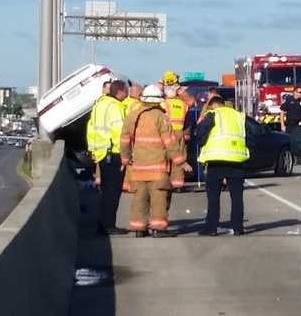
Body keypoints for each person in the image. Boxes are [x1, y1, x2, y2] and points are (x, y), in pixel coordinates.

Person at [120, 85, 185, 238]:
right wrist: (180, 161)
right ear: (158, 101)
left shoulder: (133, 116)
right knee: (158, 198)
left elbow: (124, 140)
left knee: (139, 198)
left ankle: (138, 228)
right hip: (157, 168)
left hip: (138, 167)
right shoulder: (161, 117)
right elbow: (170, 142)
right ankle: (158, 229)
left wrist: (125, 159)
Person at [195, 96, 249, 236]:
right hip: (236, 159)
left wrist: (203, 143)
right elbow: (248, 135)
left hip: (216, 159)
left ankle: (211, 228)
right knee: (237, 196)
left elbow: (200, 132)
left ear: (213, 105)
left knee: (213, 197)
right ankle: (238, 227)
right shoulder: (239, 116)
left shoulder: (214, 114)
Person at [87, 80, 129, 235]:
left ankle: (103, 223)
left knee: (105, 192)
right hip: (114, 153)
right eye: (126, 91)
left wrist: (93, 150)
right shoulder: (115, 107)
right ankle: (108, 225)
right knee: (112, 192)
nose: (127, 94)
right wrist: (126, 154)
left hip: (102, 153)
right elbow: (119, 133)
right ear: (120, 91)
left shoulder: (99, 104)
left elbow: (90, 128)